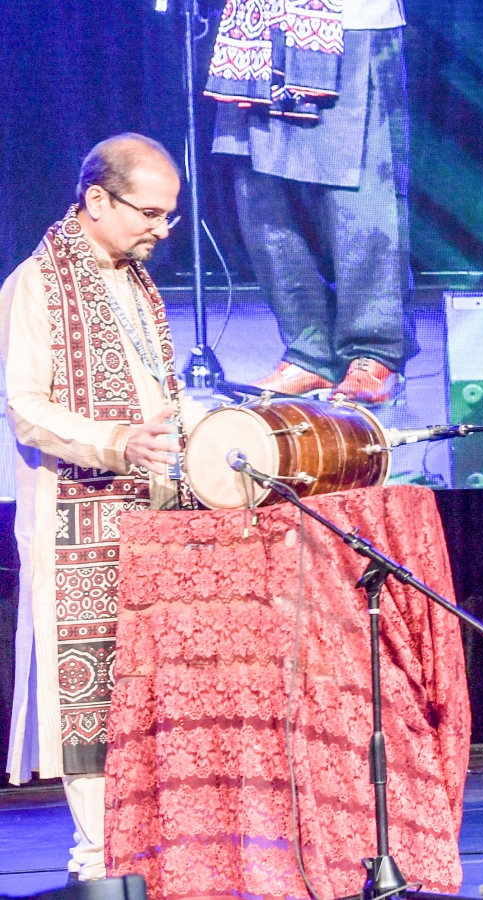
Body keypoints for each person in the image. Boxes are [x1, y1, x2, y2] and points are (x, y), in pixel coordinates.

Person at [1, 134, 206, 880]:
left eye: (170, 216)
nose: (161, 228)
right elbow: (25, 410)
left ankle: (162, 861)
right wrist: (119, 442)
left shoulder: (135, 282)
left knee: (155, 698)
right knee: (94, 700)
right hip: (77, 522)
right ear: (96, 200)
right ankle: (96, 871)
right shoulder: (37, 283)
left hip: (156, 521)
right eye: (150, 213)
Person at [206, 0, 417, 404]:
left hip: (348, 23)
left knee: (358, 202)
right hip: (256, 29)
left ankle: (373, 352)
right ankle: (309, 352)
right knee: (263, 201)